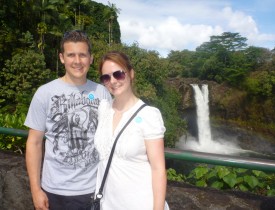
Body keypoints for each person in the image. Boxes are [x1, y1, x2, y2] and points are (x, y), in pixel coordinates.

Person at [24, 30, 112, 210]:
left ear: (91, 58)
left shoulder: (102, 93)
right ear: (62, 58)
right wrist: (35, 190)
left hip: (93, 190)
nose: (77, 61)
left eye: (82, 55)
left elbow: (111, 137)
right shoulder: (44, 93)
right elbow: (33, 143)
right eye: (71, 55)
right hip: (54, 192)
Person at [94, 51, 169, 210]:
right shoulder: (104, 109)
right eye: (106, 78)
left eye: (118, 74)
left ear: (131, 73)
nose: (113, 81)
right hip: (106, 204)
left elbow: (158, 169)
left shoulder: (148, 115)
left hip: (141, 203)